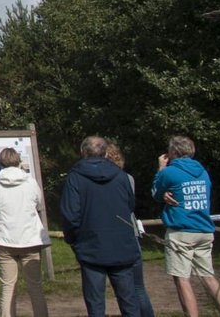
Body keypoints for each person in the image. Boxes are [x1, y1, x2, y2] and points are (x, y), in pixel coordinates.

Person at [152, 135, 220, 317]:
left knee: (182, 279)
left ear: (173, 152)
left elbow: (156, 193)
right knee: (209, 277)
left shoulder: (169, 172)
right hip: (204, 229)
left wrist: (161, 168)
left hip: (181, 231)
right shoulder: (202, 172)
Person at [59, 136, 141, 317]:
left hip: (91, 245)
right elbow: (129, 205)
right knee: (129, 301)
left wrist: (73, 239)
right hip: (120, 243)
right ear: (105, 153)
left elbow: (70, 213)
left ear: (83, 152)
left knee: (95, 304)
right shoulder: (121, 176)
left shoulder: (76, 177)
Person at [0, 147, 49, 317]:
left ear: (0, 162)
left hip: (4, 238)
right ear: (18, 161)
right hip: (30, 238)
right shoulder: (30, 182)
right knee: (35, 286)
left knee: (7, 286)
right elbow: (38, 204)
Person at [106, 142, 155, 317]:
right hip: (131, 232)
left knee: (128, 288)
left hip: (120, 234)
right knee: (138, 287)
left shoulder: (112, 180)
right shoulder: (128, 178)